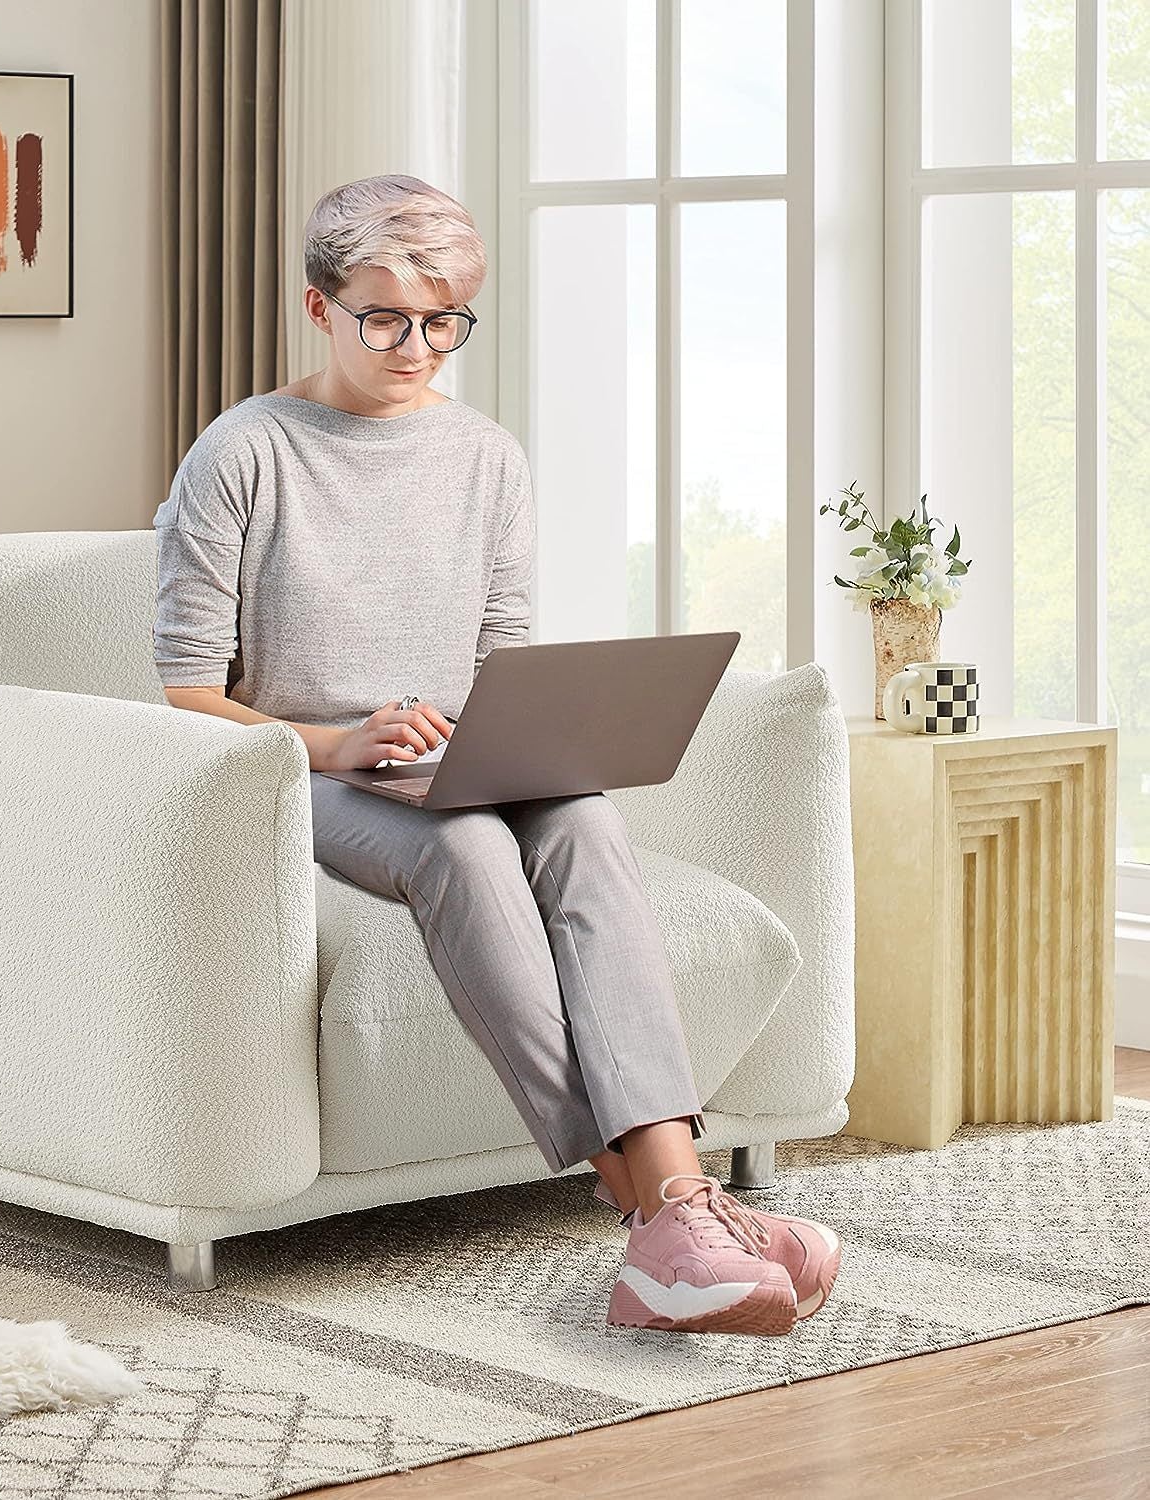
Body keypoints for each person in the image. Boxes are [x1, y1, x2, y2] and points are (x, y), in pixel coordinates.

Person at [152, 173, 841, 1336]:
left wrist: (500, 731)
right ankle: (669, 1209)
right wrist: (335, 738)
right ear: (318, 306)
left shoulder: (486, 457)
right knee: (468, 850)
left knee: (582, 820)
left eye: (443, 322)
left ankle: (672, 1216)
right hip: (297, 778)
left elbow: (504, 652)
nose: (415, 346)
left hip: (457, 758)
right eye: (384, 318)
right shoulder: (243, 454)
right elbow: (181, 694)